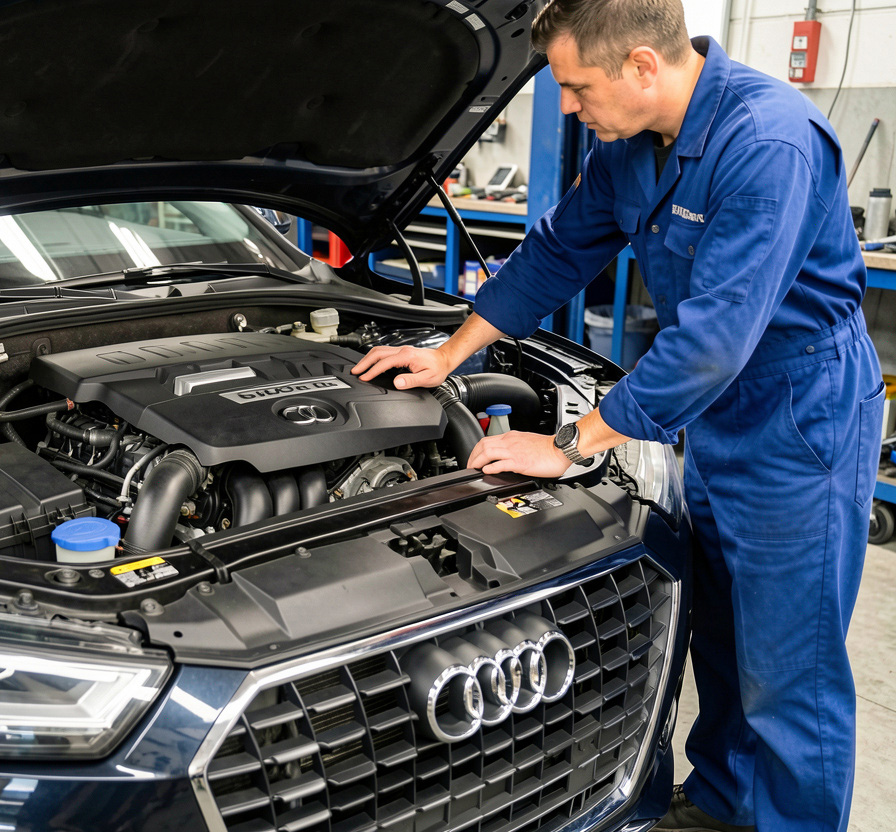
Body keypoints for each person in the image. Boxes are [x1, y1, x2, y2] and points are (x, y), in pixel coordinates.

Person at [350, 2, 884, 831]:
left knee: (789, 666)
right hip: (713, 411)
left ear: (641, 65)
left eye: (577, 87)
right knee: (719, 633)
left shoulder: (769, 142)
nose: (568, 107)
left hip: (798, 414)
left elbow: (712, 343)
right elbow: (557, 250)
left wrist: (571, 445)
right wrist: (450, 356)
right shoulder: (629, 143)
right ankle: (722, 805)